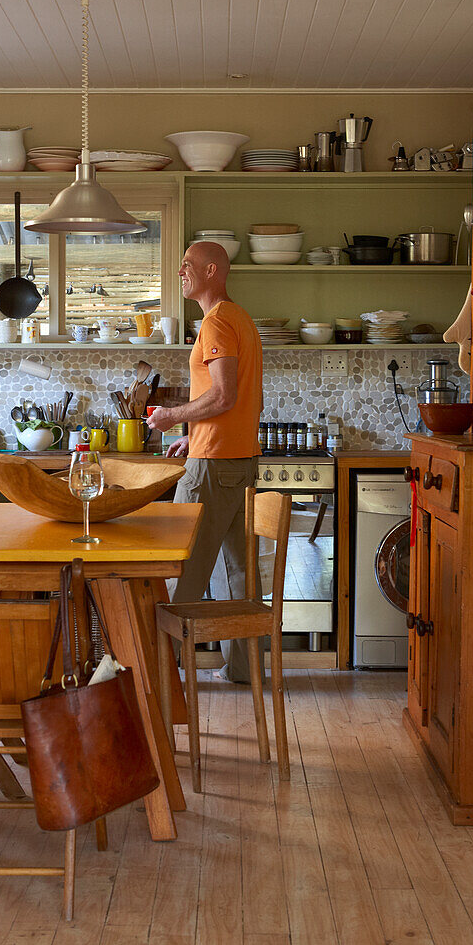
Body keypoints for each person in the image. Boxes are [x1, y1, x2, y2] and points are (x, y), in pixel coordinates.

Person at [146, 240, 263, 683]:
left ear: (212, 270)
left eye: (186, 265)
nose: (180, 272)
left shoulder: (216, 323)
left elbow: (222, 394)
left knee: (181, 569)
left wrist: (172, 416)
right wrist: (193, 435)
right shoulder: (240, 319)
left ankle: (162, 679)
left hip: (215, 466)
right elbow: (239, 398)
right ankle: (243, 670)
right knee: (238, 571)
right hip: (236, 460)